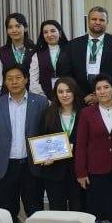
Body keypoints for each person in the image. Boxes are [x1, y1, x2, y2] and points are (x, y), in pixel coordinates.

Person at [0, 65, 48, 223]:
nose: (14, 82)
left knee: (35, 211)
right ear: (5, 82)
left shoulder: (40, 102)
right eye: (9, 78)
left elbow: (47, 132)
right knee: (7, 212)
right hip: (5, 167)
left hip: (31, 166)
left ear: (26, 79)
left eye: (18, 77)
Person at [74, 77, 112, 223]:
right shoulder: (86, 113)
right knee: (97, 214)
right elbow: (81, 144)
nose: (102, 91)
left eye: (106, 87)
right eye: (98, 88)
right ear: (95, 93)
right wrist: (81, 172)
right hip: (95, 172)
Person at [35, 77, 86, 213]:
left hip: (78, 173)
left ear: (74, 92)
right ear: (55, 94)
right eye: (60, 91)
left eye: (68, 91)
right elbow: (40, 141)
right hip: (54, 173)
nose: (65, 95)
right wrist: (43, 158)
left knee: (79, 213)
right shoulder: (47, 114)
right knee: (57, 214)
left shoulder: (85, 113)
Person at [66, 6, 112, 98]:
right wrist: (81, 95)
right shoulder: (73, 44)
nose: (97, 22)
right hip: (80, 96)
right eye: (94, 19)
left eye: (102, 20)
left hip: (108, 96)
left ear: (107, 22)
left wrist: (107, 93)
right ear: (88, 21)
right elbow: (68, 73)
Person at [29, 19, 69, 99]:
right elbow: (33, 81)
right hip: (44, 97)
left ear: (60, 33)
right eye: (45, 32)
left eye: (53, 31)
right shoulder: (37, 55)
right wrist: (44, 98)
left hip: (68, 95)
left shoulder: (70, 50)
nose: (49, 35)